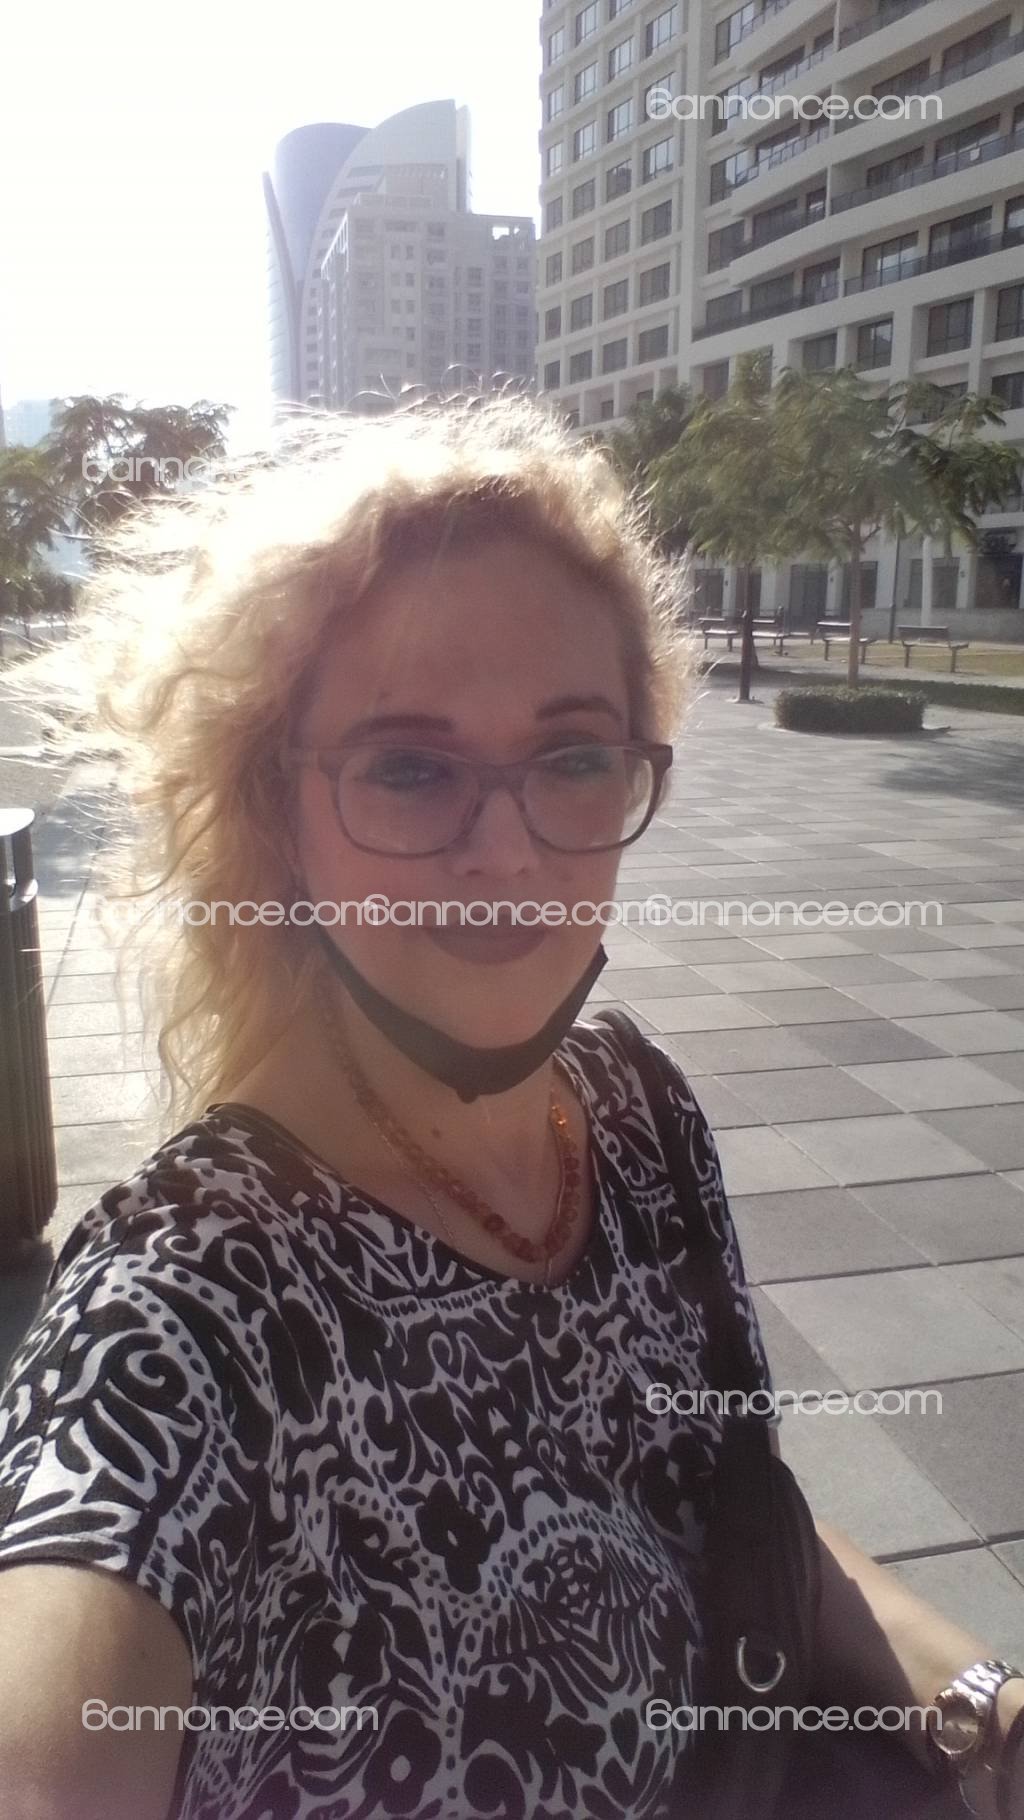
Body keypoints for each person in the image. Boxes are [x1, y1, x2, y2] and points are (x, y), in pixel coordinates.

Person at [0, 390, 1020, 1820]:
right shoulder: (187, 1317)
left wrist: (986, 1712)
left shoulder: (639, 1121)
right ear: (273, 811)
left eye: (573, 756)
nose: (508, 854)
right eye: (410, 767)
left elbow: (744, 1518)